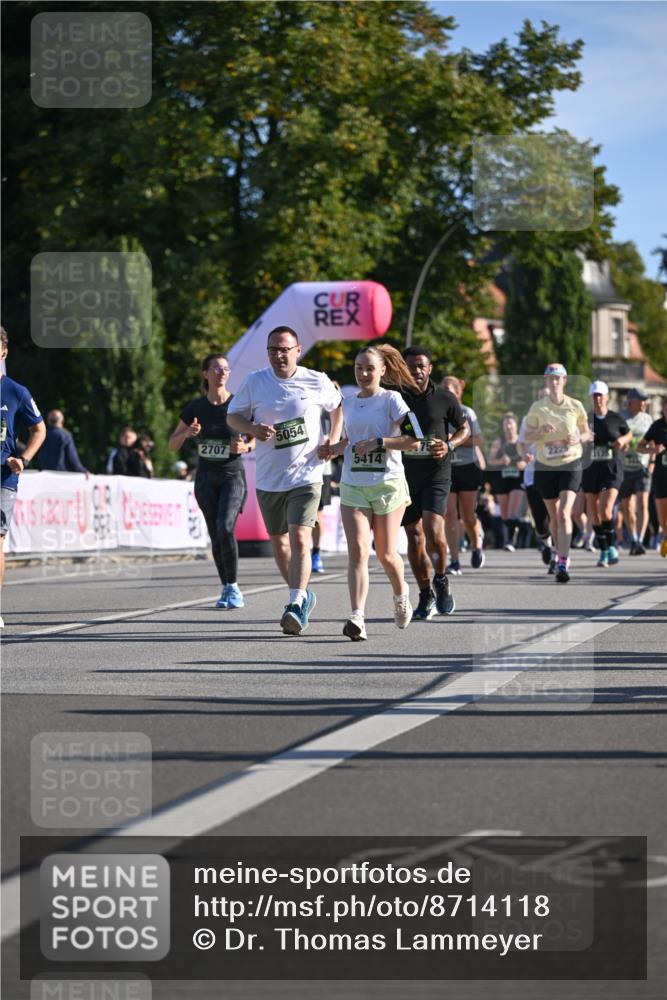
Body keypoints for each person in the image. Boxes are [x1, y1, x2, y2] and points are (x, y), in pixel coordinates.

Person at [227, 326, 343, 635]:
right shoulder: (255, 381)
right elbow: (233, 416)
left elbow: (338, 407)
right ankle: (301, 595)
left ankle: (294, 602)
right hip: (269, 477)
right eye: (273, 350)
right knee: (279, 544)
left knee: (300, 537)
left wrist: (331, 439)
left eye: (284, 349)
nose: (278, 355)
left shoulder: (315, 379)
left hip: (307, 473)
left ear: (297, 350)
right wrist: (252, 429)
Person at [324, 344, 419, 641]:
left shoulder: (392, 400)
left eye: (369, 368)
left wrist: (380, 443)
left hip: (388, 484)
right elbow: (350, 441)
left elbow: (414, 439)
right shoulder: (348, 403)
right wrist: (331, 449)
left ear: (382, 371)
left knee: (386, 554)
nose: (363, 373)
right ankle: (357, 617)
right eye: (358, 368)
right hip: (354, 485)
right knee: (358, 552)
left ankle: (401, 594)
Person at [169, 353, 253, 608]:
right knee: (215, 533)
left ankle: (235, 587)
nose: (222, 372)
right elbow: (172, 445)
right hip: (205, 478)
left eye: (225, 369)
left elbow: (257, 436)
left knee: (226, 526)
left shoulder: (239, 405)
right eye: (216, 368)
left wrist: (245, 447)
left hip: (232, 475)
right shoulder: (195, 408)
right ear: (205, 374)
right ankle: (226, 586)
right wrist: (187, 433)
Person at [399, 347, 468, 620]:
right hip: (404, 476)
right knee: (414, 537)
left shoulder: (444, 397)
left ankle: (441, 578)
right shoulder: (396, 398)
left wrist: (449, 445)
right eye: (411, 366)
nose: (416, 371)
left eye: (420, 366)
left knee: (433, 529)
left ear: (429, 368)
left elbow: (465, 429)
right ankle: (425, 591)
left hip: (437, 473)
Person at [523, 363, 593, 583]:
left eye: (557, 379)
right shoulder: (538, 407)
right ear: (546, 381)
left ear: (564, 381)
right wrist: (540, 431)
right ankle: (556, 552)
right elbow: (526, 437)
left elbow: (587, 433)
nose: (554, 383)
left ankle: (563, 561)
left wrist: (578, 438)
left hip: (570, 462)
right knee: (554, 516)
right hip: (545, 466)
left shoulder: (575, 406)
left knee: (564, 513)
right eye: (550, 379)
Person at [0, 326, 46, 627]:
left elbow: (38, 429)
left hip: (2, 477)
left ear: (3, 352)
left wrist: (24, 459)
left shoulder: (16, 391)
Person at [582, 380, 632, 567]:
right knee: (594, 514)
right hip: (590, 469)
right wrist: (583, 440)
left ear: (607, 397)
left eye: (601, 395)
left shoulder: (616, 418)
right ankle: (604, 549)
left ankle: (611, 546)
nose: (598, 399)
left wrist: (622, 440)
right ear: (591, 398)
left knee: (606, 509)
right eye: (594, 395)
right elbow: (577, 438)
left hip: (611, 469)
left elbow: (629, 434)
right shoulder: (585, 420)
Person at [440, 375, 485, 573]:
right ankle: (455, 559)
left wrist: (454, 440)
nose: (447, 392)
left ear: (458, 392)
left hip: (467, 466)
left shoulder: (467, 413)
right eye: (444, 389)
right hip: (446, 468)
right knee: (450, 514)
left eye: (451, 389)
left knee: (468, 516)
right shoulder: (438, 413)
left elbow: (478, 440)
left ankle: (476, 546)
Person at [619, 387, 653, 555]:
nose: (644, 404)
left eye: (645, 400)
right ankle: (632, 538)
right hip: (624, 468)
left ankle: (639, 540)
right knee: (627, 506)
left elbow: (653, 441)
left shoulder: (647, 419)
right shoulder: (621, 418)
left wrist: (652, 461)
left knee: (643, 502)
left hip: (642, 466)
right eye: (642, 400)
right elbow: (614, 440)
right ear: (631, 402)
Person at [488, 411, 527, 551]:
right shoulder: (498, 442)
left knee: (512, 510)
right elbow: (490, 460)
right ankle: (515, 528)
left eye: (511, 423)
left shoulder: (521, 442)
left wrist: (523, 464)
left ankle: (510, 540)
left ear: (516, 426)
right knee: (504, 513)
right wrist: (500, 461)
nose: (509, 426)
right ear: (503, 427)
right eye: (506, 424)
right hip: (502, 478)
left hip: (517, 478)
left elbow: (529, 458)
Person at [638, 396, 667, 558]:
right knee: (662, 514)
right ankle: (665, 535)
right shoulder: (657, 427)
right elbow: (640, 446)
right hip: (661, 475)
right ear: (664, 409)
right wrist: (653, 451)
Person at [37, 409, 88, 474]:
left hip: (44, 474)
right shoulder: (66, 435)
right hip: (61, 475)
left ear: (48, 421)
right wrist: (83, 470)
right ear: (62, 421)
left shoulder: (41, 435)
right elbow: (72, 458)